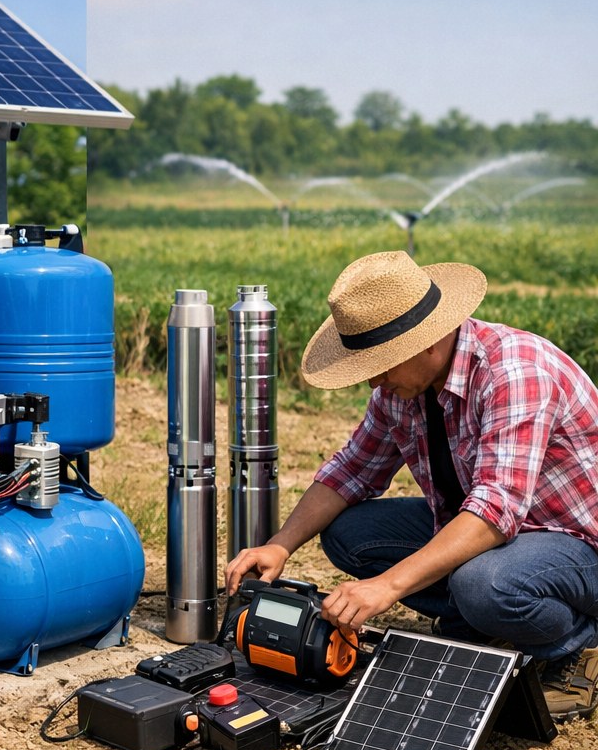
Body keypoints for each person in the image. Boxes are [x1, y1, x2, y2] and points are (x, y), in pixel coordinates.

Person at [225, 250, 598, 720]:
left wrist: (386, 587)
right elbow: (350, 472)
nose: (373, 380)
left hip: (577, 545)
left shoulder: (515, 371)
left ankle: (578, 643)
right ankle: (481, 619)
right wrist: (278, 546)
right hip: (499, 533)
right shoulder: (399, 390)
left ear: (428, 341)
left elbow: (495, 510)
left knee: (485, 584)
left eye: (381, 363)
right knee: (348, 533)